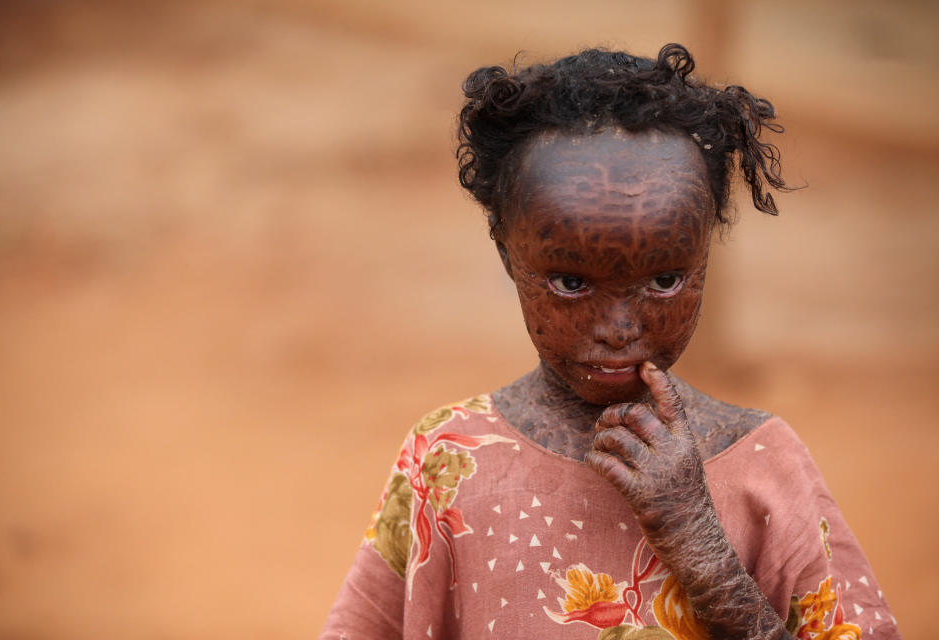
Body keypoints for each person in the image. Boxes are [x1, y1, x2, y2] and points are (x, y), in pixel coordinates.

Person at [321, 44, 901, 639]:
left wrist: (705, 554)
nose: (620, 328)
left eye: (665, 279)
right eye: (572, 282)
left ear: (704, 253)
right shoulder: (449, 458)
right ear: (508, 256)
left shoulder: (763, 466)